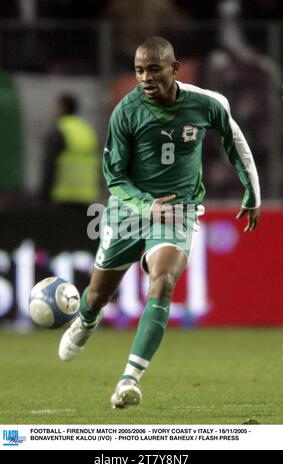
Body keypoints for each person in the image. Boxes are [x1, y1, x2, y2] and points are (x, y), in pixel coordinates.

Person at [58, 37, 261, 409]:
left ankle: (129, 380)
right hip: (128, 211)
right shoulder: (126, 112)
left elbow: (235, 141)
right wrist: (145, 205)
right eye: (138, 70)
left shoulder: (206, 104)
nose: (145, 77)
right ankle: (86, 321)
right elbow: (115, 177)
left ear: (174, 68)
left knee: (163, 281)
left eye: (153, 69)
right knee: (98, 295)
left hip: (179, 211)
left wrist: (252, 193)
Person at [41, 93, 100, 207]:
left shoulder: (59, 130)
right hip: (87, 196)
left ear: (62, 108)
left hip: (63, 196)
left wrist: (44, 196)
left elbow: (49, 164)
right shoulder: (88, 129)